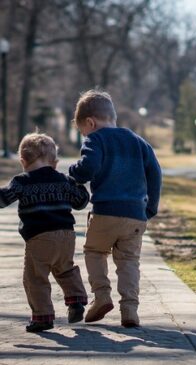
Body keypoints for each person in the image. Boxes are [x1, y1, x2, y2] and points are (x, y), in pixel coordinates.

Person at [69, 89, 161, 327]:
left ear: (90, 122)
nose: (84, 135)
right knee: (129, 261)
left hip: (105, 211)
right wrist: (150, 207)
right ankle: (130, 310)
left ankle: (101, 296)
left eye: (83, 131)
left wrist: (73, 172)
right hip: (135, 215)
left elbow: (87, 168)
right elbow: (155, 173)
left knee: (95, 251)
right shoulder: (138, 141)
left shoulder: (95, 139)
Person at [0, 133, 89, 332]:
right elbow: (81, 202)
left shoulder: (21, 182)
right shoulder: (64, 180)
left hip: (39, 238)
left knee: (35, 277)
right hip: (66, 236)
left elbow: (3, 200)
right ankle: (76, 300)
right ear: (55, 163)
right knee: (65, 268)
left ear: (23, 161)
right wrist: (78, 184)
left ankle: (42, 317)